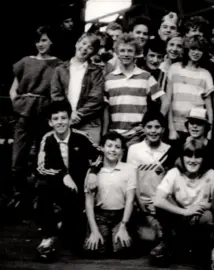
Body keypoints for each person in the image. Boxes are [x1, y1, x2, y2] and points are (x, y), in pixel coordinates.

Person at [36, 100, 102, 260]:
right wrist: (63, 175)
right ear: (50, 122)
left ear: (70, 119)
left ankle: (67, 225)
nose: (60, 122)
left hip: (79, 189)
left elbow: (99, 154)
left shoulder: (81, 137)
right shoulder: (48, 139)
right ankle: (48, 235)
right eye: (56, 119)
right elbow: (41, 167)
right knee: (43, 186)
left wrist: (93, 171)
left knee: (77, 245)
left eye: (64, 118)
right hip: (57, 185)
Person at [10, 26, 62, 214]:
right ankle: (19, 198)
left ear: (52, 42)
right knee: (18, 160)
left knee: (44, 158)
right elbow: (13, 88)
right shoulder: (25, 62)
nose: (41, 44)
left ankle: (40, 201)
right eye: (39, 40)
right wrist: (17, 103)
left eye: (45, 40)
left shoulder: (59, 65)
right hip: (25, 113)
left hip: (44, 115)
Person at [152, 140, 214, 267]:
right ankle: (167, 243)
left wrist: (209, 205)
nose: (193, 160)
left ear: (203, 158)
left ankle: (199, 250)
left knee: (208, 216)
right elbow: (158, 199)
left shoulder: (211, 174)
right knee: (163, 204)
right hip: (179, 217)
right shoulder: (174, 172)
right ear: (182, 157)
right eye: (189, 155)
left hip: (199, 218)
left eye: (197, 156)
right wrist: (185, 211)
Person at [83, 132, 137, 258]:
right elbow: (89, 204)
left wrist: (123, 226)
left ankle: (114, 239)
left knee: (123, 250)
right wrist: (94, 231)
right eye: (109, 146)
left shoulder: (129, 169)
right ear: (102, 148)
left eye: (117, 147)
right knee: (93, 251)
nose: (113, 150)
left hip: (120, 216)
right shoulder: (93, 172)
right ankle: (104, 239)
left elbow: (130, 200)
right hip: (100, 216)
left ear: (122, 150)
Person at [126, 111, 174, 245]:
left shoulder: (168, 149)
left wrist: (159, 203)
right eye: (149, 127)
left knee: (164, 236)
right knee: (147, 238)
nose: (153, 131)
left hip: (161, 203)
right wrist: (142, 205)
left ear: (163, 129)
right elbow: (131, 181)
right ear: (143, 128)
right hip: (140, 203)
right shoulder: (134, 149)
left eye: (157, 127)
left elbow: (169, 182)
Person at [50, 32, 104, 145]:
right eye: (83, 43)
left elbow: (96, 99)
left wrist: (78, 114)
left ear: (93, 52)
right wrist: (69, 114)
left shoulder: (96, 72)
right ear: (76, 43)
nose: (84, 48)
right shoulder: (60, 70)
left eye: (90, 47)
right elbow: (56, 95)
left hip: (89, 123)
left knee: (90, 158)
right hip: (64, 121)